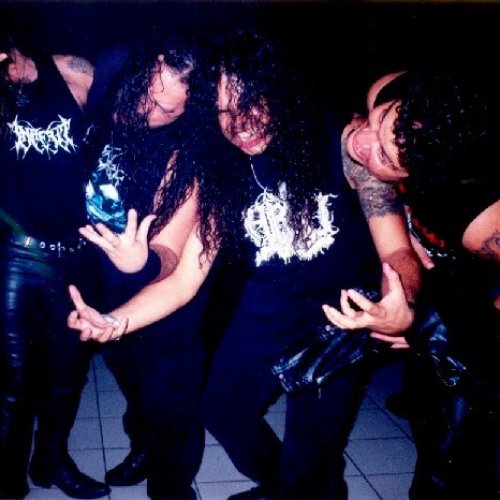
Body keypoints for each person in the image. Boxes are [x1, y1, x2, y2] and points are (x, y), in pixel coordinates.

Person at [67, 30, 422, 499]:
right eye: (223, 111)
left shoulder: (336, 141)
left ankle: (299, 487)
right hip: (264, 313)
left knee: (311, 458)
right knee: (222, 412)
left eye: (251, 102)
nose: (240, 123)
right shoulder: (220, 172)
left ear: (277, 91)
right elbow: (183, 280)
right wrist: (115, 321)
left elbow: (398, 253)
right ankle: (279, 484)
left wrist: (402, 302)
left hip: (342, 322)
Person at [329, 69, 499, 499]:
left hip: (486, 305)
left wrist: (449, 333)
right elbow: (397, 252)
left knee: (459, 455)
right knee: (426, 409)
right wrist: (402, 304)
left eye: (385, 158)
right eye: (379, 119)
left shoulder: (477, 219)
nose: (362, 140)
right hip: (442, 279)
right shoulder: (391, 90)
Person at [81, 34, 215, 499]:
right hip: (106, 285)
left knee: (171, 400)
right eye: (147, 94)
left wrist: (143, 261)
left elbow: (172, 251)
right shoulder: (113, 76)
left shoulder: (187, 155)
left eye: (167, 110)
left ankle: (171, 486)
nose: (147, 111)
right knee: (132, 381)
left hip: (164, 296)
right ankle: (143, 448)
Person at [0, 30, 110, 499]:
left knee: (67, 373)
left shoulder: (74, 71)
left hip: (76, 253)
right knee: (12, 377)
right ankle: (7, 482)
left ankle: (51, 462)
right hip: (16, 254)